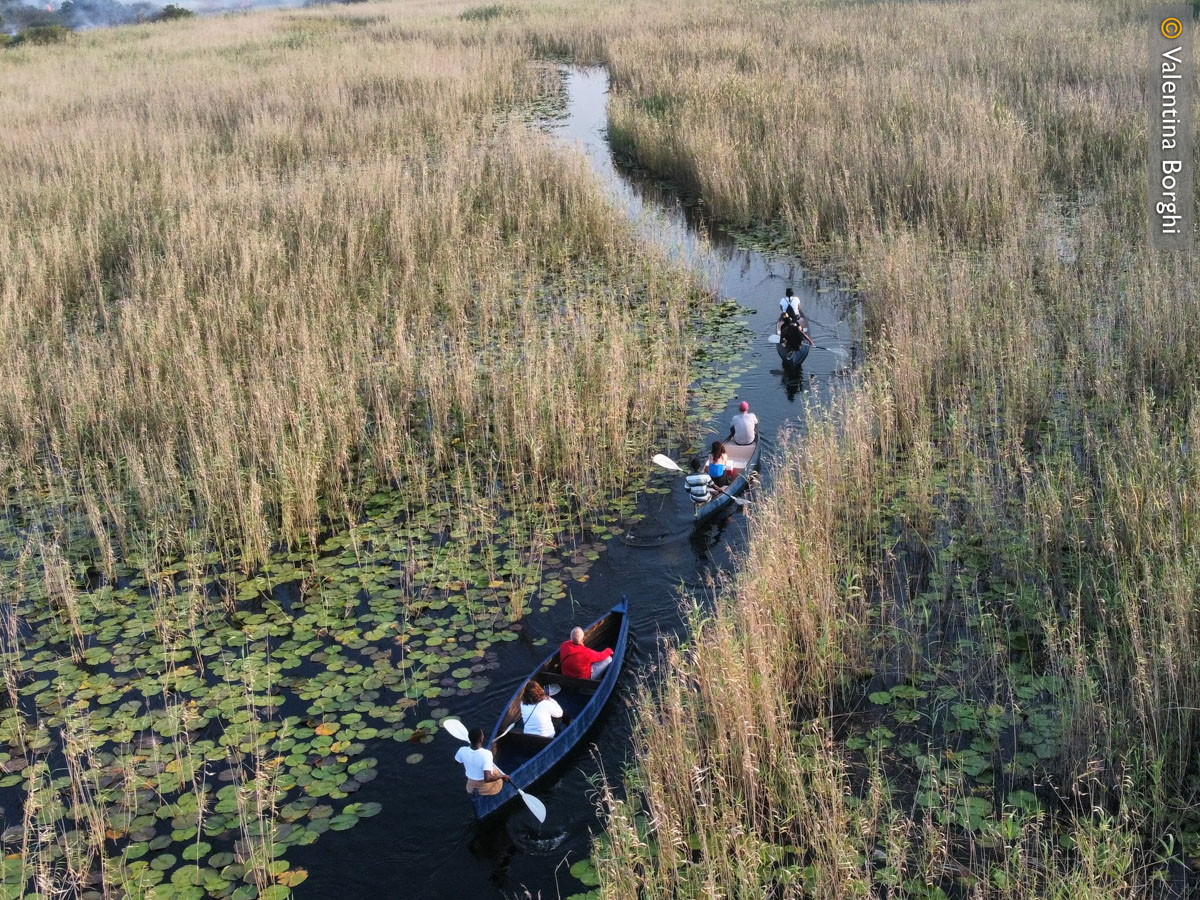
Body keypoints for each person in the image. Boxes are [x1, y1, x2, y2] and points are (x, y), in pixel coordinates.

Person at [454, 727, 510, 796]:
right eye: (482, 735)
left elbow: (456, 762)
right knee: (496, 772)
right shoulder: (487, 754)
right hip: (486, 789)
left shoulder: (461, 750)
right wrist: (502, 776)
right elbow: (487, 779)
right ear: (481, 739)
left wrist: (470, 761)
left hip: (470, 787)